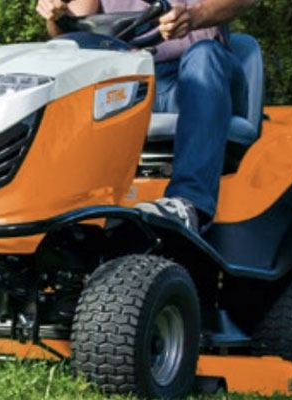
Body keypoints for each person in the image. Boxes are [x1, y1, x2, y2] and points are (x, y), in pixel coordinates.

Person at [37, 0, 257, 234]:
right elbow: (72, 30)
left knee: (203, 54)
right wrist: (56, 15)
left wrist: (195, 15)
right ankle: (65, 209)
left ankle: (188, 203)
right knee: (69, 75)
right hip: (134, 80)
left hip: (203, 77)